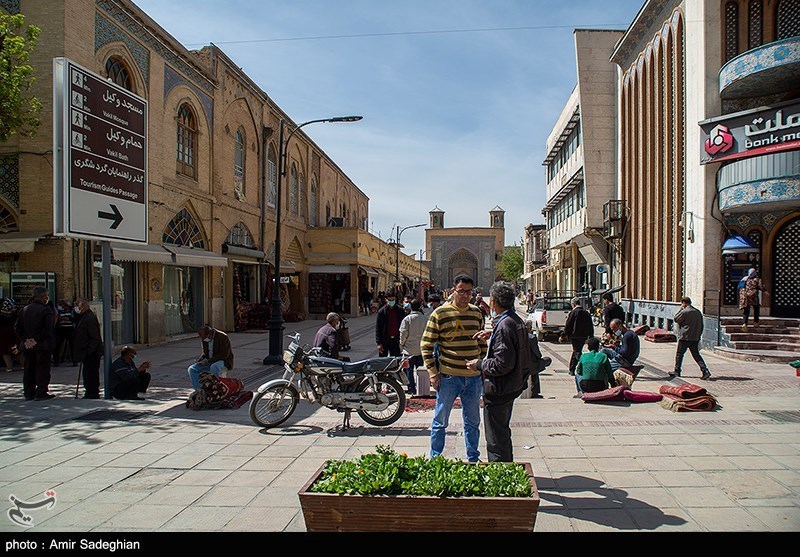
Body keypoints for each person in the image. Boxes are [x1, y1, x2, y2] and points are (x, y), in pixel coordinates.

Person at [421, 273, 486, 463]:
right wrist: (433, 373)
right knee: (440, 421)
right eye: (461, 291)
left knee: (473, 422)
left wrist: (482, 366)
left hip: (473, 378)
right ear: (452, 291)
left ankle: (473, 458)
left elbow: (481, 344)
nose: (466, 295)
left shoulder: (476, 312)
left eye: (469, 292)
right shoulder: (440, 313)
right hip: (449, 377)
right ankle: (436, 459)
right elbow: (426, 344)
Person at [466, 281, 529, 462]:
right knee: (502, 433)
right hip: (512, 386)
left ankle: (501, 475)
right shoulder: (515, 321)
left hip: (500, 389)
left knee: (495, 438)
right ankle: (507, 469)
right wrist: (492, 334)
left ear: (493, 302)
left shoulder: (504, 326)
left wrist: (479, 365)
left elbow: (502, 364)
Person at [15, 287, 56, 401]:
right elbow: (48, 329)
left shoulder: (24, 309)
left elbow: (17, 327)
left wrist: (25, 339)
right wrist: (35, 339)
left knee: (29, 368)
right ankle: (41, 392)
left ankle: (29, 392)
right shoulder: (46, 310)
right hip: (43, 345)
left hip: (28, 346)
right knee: (42, 369)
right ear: (43, 297)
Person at [670, 296, 711, 380]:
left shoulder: (685, 312)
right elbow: (701, 325)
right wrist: (698, 335)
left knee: (679, 354)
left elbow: (676, 319)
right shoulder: (697, 312)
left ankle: (677, 371)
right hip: (695, 337)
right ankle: (705, 370)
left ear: (684, 303)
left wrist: (680, 309)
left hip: (685, 337)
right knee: (696, 355)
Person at [71, 298, 103, 399]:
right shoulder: (84, 316)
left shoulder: (89, 317)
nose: (75, 307)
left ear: (83, 306)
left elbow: (95, 336)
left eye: (77, 305)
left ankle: (92, 392)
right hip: (87, 351)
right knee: (87, 373)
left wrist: (89, 350)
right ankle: (89, 391)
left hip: (91, 352)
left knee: (91, 373)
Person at [187, 325, 234, 391]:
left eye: (206, 337)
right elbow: (205, 353)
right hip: (209, 361)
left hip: (223, 361)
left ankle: (217, 388)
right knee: (192, 369)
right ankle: (199, 390)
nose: (205, 339)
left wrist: (208, 360)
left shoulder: (222, 337)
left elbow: (225, 354)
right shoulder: (204, 338)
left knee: (214, 367)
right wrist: (201, 358)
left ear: (210, 333)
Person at [399, 299, 426, 396]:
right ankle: (421, 388)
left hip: (408, 350)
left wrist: (401, 344)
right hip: (420, 349)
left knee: (408, 370)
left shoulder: (407, 319)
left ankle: (411, 388)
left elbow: (403, 334)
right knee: (420, 369)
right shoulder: (424, 319)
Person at [561, 297, 594, 376]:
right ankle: (572, 369)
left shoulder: (574, 312)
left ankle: (583, 364)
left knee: (577, 352)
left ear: (574, 304)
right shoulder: (586, 313)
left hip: (575, 335)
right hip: (584, 335)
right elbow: (590, 325)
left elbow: (568, 324)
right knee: (576, 350)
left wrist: (563, 335)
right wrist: (591, 335)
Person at [375, 291, 406, 357]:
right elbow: (378, 328)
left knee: (396, 361)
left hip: (396, 340)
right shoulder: (382, 312)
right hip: (385, 340)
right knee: (383, 362)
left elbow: (404, 326)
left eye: (393, 300)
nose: (391, 301)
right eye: (389, 300)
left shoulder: (400, 310)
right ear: (386, 299)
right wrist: (379, 343)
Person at [523, 320, 548, 398]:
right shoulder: (532, 338)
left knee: (534, 366)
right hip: (531, 364)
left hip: (520, 362)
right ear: (530, 329)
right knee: (543, 362)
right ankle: (535, 392)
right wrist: (539, 358)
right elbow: (537, 353)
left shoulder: (518, 336)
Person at [53, 299, 76, 367]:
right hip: (61, 329)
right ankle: (56, 361)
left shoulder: (72, 312)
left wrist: (69, 319)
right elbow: (56, 319)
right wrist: (59, 319)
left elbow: (75, 320)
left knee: (72, 344)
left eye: (65, 305)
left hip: (69, 329)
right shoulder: (59, 312)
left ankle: (74, 360)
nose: (64, 307)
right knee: (57, 345)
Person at [0, 298, 20, 372]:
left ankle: (9, 367)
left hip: (3, 333)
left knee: (5, 351)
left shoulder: (2, 314)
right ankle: (24, 365)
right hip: (14, 332)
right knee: (17, 350)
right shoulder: (16, 312)